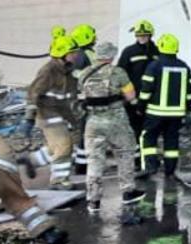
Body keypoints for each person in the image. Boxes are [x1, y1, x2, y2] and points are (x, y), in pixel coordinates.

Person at [77, 41, 143, 211]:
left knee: (94, 160)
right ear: (111, 56)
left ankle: (93, 200)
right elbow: (130, 95)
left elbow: (81, 97)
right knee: (125, 152)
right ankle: (128, 192)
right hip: (116, 120)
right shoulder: (118, 72)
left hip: (92, 122)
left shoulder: (84, 73)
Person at [137, 33, 191, 179]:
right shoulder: (184, 67)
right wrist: (187, 109)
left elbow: (146, 90)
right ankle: (170, 170)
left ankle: (150, 167)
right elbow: (189, 93)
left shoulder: (154, 66)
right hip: (176, 114)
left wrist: (140, 106)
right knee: (171, 141)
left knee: (148, 138)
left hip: (155, 113)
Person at [26, 35, 81, 189]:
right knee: (63, 145)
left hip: (61, 113)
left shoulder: (67, 71)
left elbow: (67, 98)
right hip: (48, 114)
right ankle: (58, 181)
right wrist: (28, 119)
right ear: (62, 54)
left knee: (56, 147)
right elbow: (33, 94)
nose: (76, 55)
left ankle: (32, 161)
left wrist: (74, 118)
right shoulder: (48, 70)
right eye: (72, 52)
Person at [118, 20, 159, 139]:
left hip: (153, 97)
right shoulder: (129, 51)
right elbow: (121, 73)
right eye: (139, 35)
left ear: (150, 35)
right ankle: (137, 154)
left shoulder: (157, 51)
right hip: (134, 97)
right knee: (135, 127)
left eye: (144, 35)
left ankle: (145, 152)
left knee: (151, 128)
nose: (141, 37)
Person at [68, 24, 97, 179]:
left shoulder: (82, 54)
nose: (95, 37)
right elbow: (79, 76)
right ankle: (81, 165)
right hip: (85, 99)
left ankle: (81, 163)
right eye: (92, 35)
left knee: (85, 132)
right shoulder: (82, 55)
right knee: (86, 132)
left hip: (85, 98)